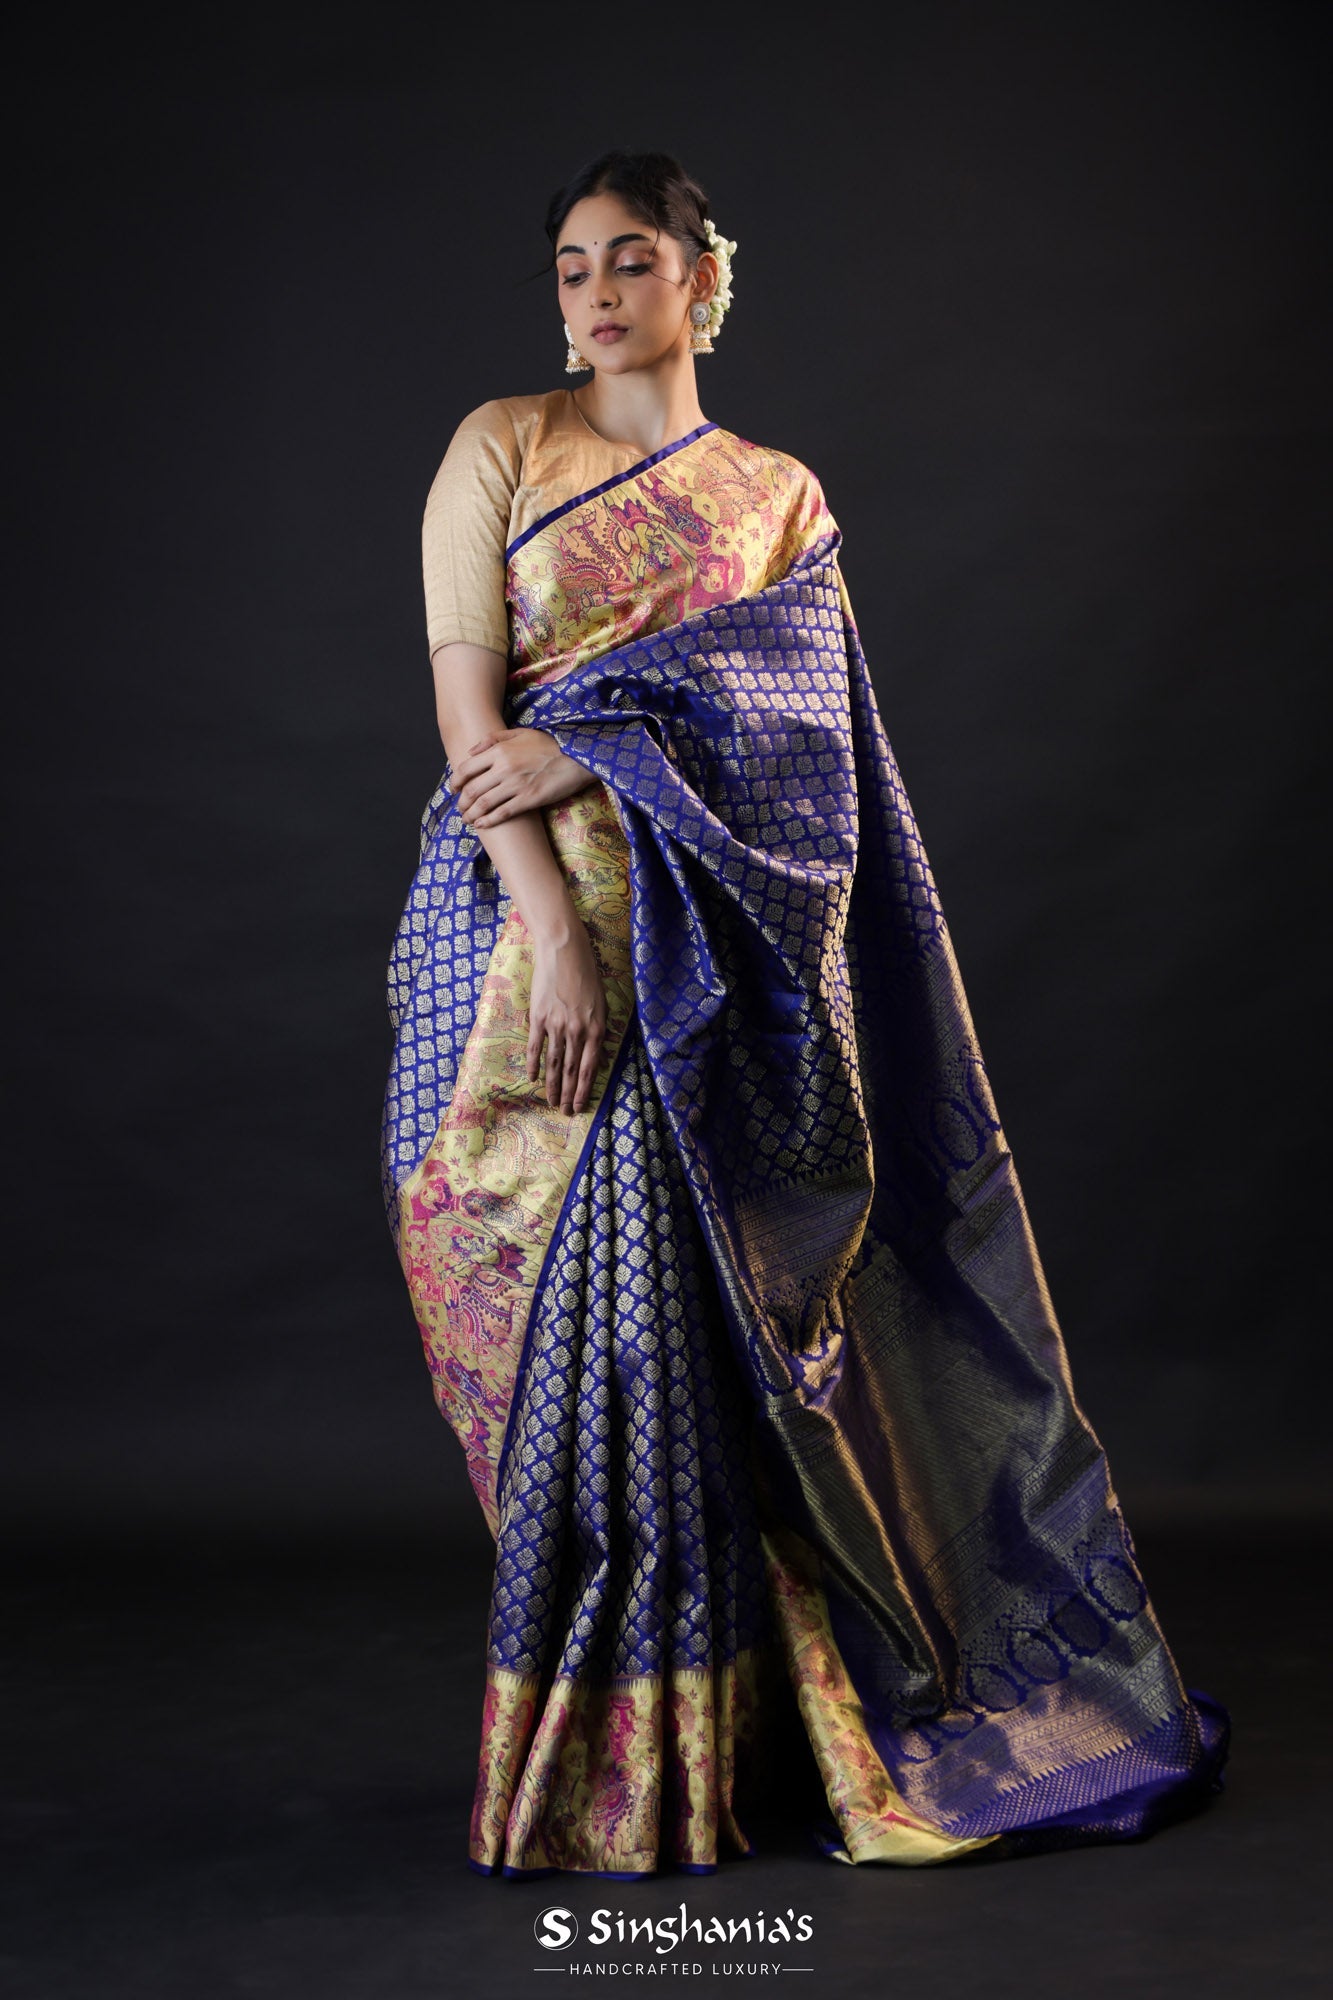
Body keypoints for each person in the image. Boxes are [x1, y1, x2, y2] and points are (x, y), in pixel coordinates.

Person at [380, 149, 1230, 1881]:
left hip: (713, 967)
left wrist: (591, 746)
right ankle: (622, 1751)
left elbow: (803, 755)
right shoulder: (499, 445)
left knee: (700, 1356)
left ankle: (719, 1756)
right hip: (518, 948)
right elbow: (473, 731)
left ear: (704, 279)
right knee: (565, 1343)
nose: (595, 293)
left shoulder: (774, 500)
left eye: (631, 259)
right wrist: (555, 935)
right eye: (570, 266)